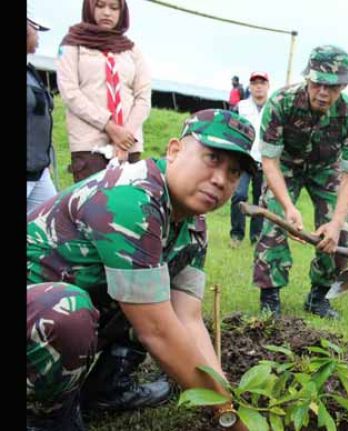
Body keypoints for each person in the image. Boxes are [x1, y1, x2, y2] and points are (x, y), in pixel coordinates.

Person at [27, 109, 256, 431]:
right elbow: (157, 331)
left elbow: (186, 318)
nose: (220, 179)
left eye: (234, 172)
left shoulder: (192, 224)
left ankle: (105, 389)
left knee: (152, 295)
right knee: (67, 312)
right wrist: (230, 417)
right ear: (174, 150)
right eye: (212, 158)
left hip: (67, 309)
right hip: (37, 315)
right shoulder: (130, 198)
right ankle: (45, 415)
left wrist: (225, 397)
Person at [253, 45, 348, 319]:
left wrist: (336, 223)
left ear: (343, 86)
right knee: (275, 219)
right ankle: (270, 297)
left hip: (327, 169)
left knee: (338, 233)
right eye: (317, 84)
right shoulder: (281, 103)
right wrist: (289, 207)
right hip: (285, 166)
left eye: (333, 87)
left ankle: (319, 297)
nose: (323, 93)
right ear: (308, 79)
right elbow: (269, 161)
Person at [57, 0, 151, 183]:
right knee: (92, 207)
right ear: (89, 8)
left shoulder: (131, 50)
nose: (107, 13)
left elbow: (143, 97)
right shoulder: (73, 45)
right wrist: (109, 126)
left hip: (127, 147)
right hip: (89, 146)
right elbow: (70, 92)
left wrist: (125, 137)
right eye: (100, 6)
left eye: (114, 8)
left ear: (122, 12)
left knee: (125, 206)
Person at [229, 71, 270, 248]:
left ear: (268, 86)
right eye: (254, 83)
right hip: (244, 159)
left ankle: (256, 237)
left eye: (262, 82)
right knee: (239, 194)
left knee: (261, 199)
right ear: (250, 86)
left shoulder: (274, 107)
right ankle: (237, 234)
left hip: (266, 161)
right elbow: (230, 130)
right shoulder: (241, 107)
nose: (258, 86)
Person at [27, 6, 58, 213]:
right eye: (36, 29)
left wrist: (43, 159)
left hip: (37, 170)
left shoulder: (30, 72)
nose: (38, 36)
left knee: (51, 222)